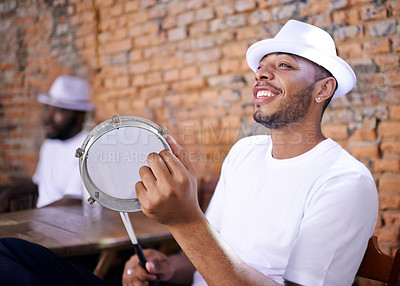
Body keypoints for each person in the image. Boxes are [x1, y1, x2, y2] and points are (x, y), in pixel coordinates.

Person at [0, 19, 378, 286]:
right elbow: (207, 254)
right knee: (13, 254)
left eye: (283, 66)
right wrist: (169, 267)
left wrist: (184, 221)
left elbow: (198, 234)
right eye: (261, 68)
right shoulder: (245, 152)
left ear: (323, 89)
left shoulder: (344, 181)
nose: (261, 74)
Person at [0, 75, 95, 212]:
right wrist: (8, 194)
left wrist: (27, 219)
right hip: (41, 223)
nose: (48, 117)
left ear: (80, 115)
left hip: (69, 229)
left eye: (58, 110)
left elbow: (73, 200)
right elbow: (39, 182)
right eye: (47, 108)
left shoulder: (88, 146)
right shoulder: (50, 144)